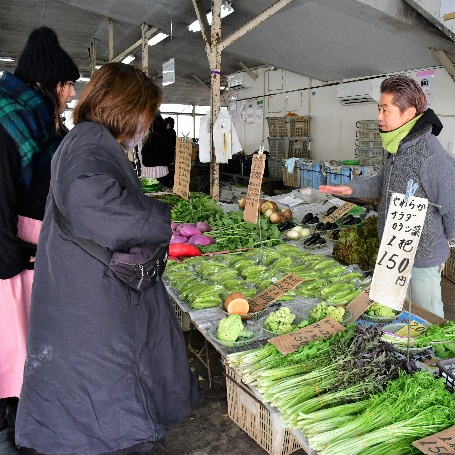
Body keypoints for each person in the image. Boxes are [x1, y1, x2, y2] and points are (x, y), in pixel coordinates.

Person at [14, 62, 201, 455]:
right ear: (127, 109)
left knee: (105, 408)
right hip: (95, 316)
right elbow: (90, 201)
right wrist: (158, 217)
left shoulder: (87, 141)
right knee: (114, 415)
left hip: (86, 300)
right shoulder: (87, 144)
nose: (146, 125)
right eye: (146, 116)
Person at [0, 27, 78, 455]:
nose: (69, 95)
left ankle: (24, 423)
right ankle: (7, 435)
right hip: (7, 257)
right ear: (47, 83)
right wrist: (10, 259)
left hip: (28, 254)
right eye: (67, 85)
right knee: (8, 346)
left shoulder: (39, 122)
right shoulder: (8, 118)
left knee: (27, 345)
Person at [319, 75, 455, 317]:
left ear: (409, 112)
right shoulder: (398, 147)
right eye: (378, 109)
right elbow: (382, 183)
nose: (379, 117)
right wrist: (351, 189)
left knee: (427, 321)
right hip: (394, 252)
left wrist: (441, 246)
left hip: (421, 259)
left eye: (385, 109)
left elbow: (451, 206)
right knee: (400, 316)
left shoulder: (431, 157)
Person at [140, 113, 175, 188]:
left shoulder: (147, 133)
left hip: (147, 170)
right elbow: (170, 150)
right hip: (162, 170)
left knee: (148, 192)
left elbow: (141, 152)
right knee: (162, 193)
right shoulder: (166, 133)